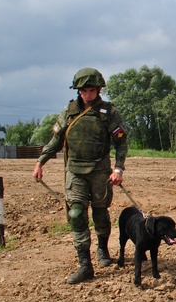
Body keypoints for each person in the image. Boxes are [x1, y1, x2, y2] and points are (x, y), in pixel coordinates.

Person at [32, 68, 128, 284]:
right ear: (78, 91)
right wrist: (40, 162)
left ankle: (103, 250)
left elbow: (121, 142)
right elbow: (56, 141)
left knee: (101, 214)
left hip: (100, 170)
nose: (87, 95)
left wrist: (118, 169)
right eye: (83, 90)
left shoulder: (108, 113)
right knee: (76, 214)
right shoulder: (69, 111)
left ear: (99, 89)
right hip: (75, 171)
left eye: (91, 90)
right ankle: (85, 265)